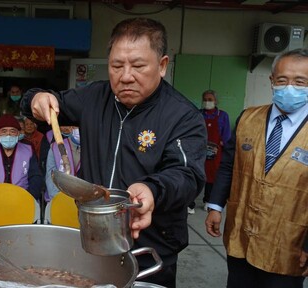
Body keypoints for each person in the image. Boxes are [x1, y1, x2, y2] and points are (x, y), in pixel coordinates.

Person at [20, 17, 206, 287]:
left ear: (162, 65)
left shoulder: (182, 116)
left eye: (138, 66)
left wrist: (153, 189)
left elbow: (187, 175)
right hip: (95, 239)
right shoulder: (94, 98)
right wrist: (36, 99)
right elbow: (47, 102)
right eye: (117, 66)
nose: (126, 76)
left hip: (151, 244)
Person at [205, 49, 308, 287]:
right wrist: (215, 206)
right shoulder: (248, 118)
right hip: (242, 234)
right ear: (272, 82)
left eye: (300, 81)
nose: (289, 87)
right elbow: (229, 165)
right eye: (282, 80)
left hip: (288, 244)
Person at [187, 89, 231, 214]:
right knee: (195, 175)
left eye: (210, 100)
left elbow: (226, 136)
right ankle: (190, 203)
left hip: (215, 153)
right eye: (205, 100)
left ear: (216, 101)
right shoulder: (198, 114)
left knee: (211, 177)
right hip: (198, 151)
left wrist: (219, 144)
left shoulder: (222, 115)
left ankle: (208, 200)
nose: (207, 102)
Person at [45, 126, 81, 201]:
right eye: (75, 127)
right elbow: (50, 176)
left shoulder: (93, 148)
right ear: (70, 128)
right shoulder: (55, 147)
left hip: (84, 200)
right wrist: (58, 198)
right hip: (59, 198)